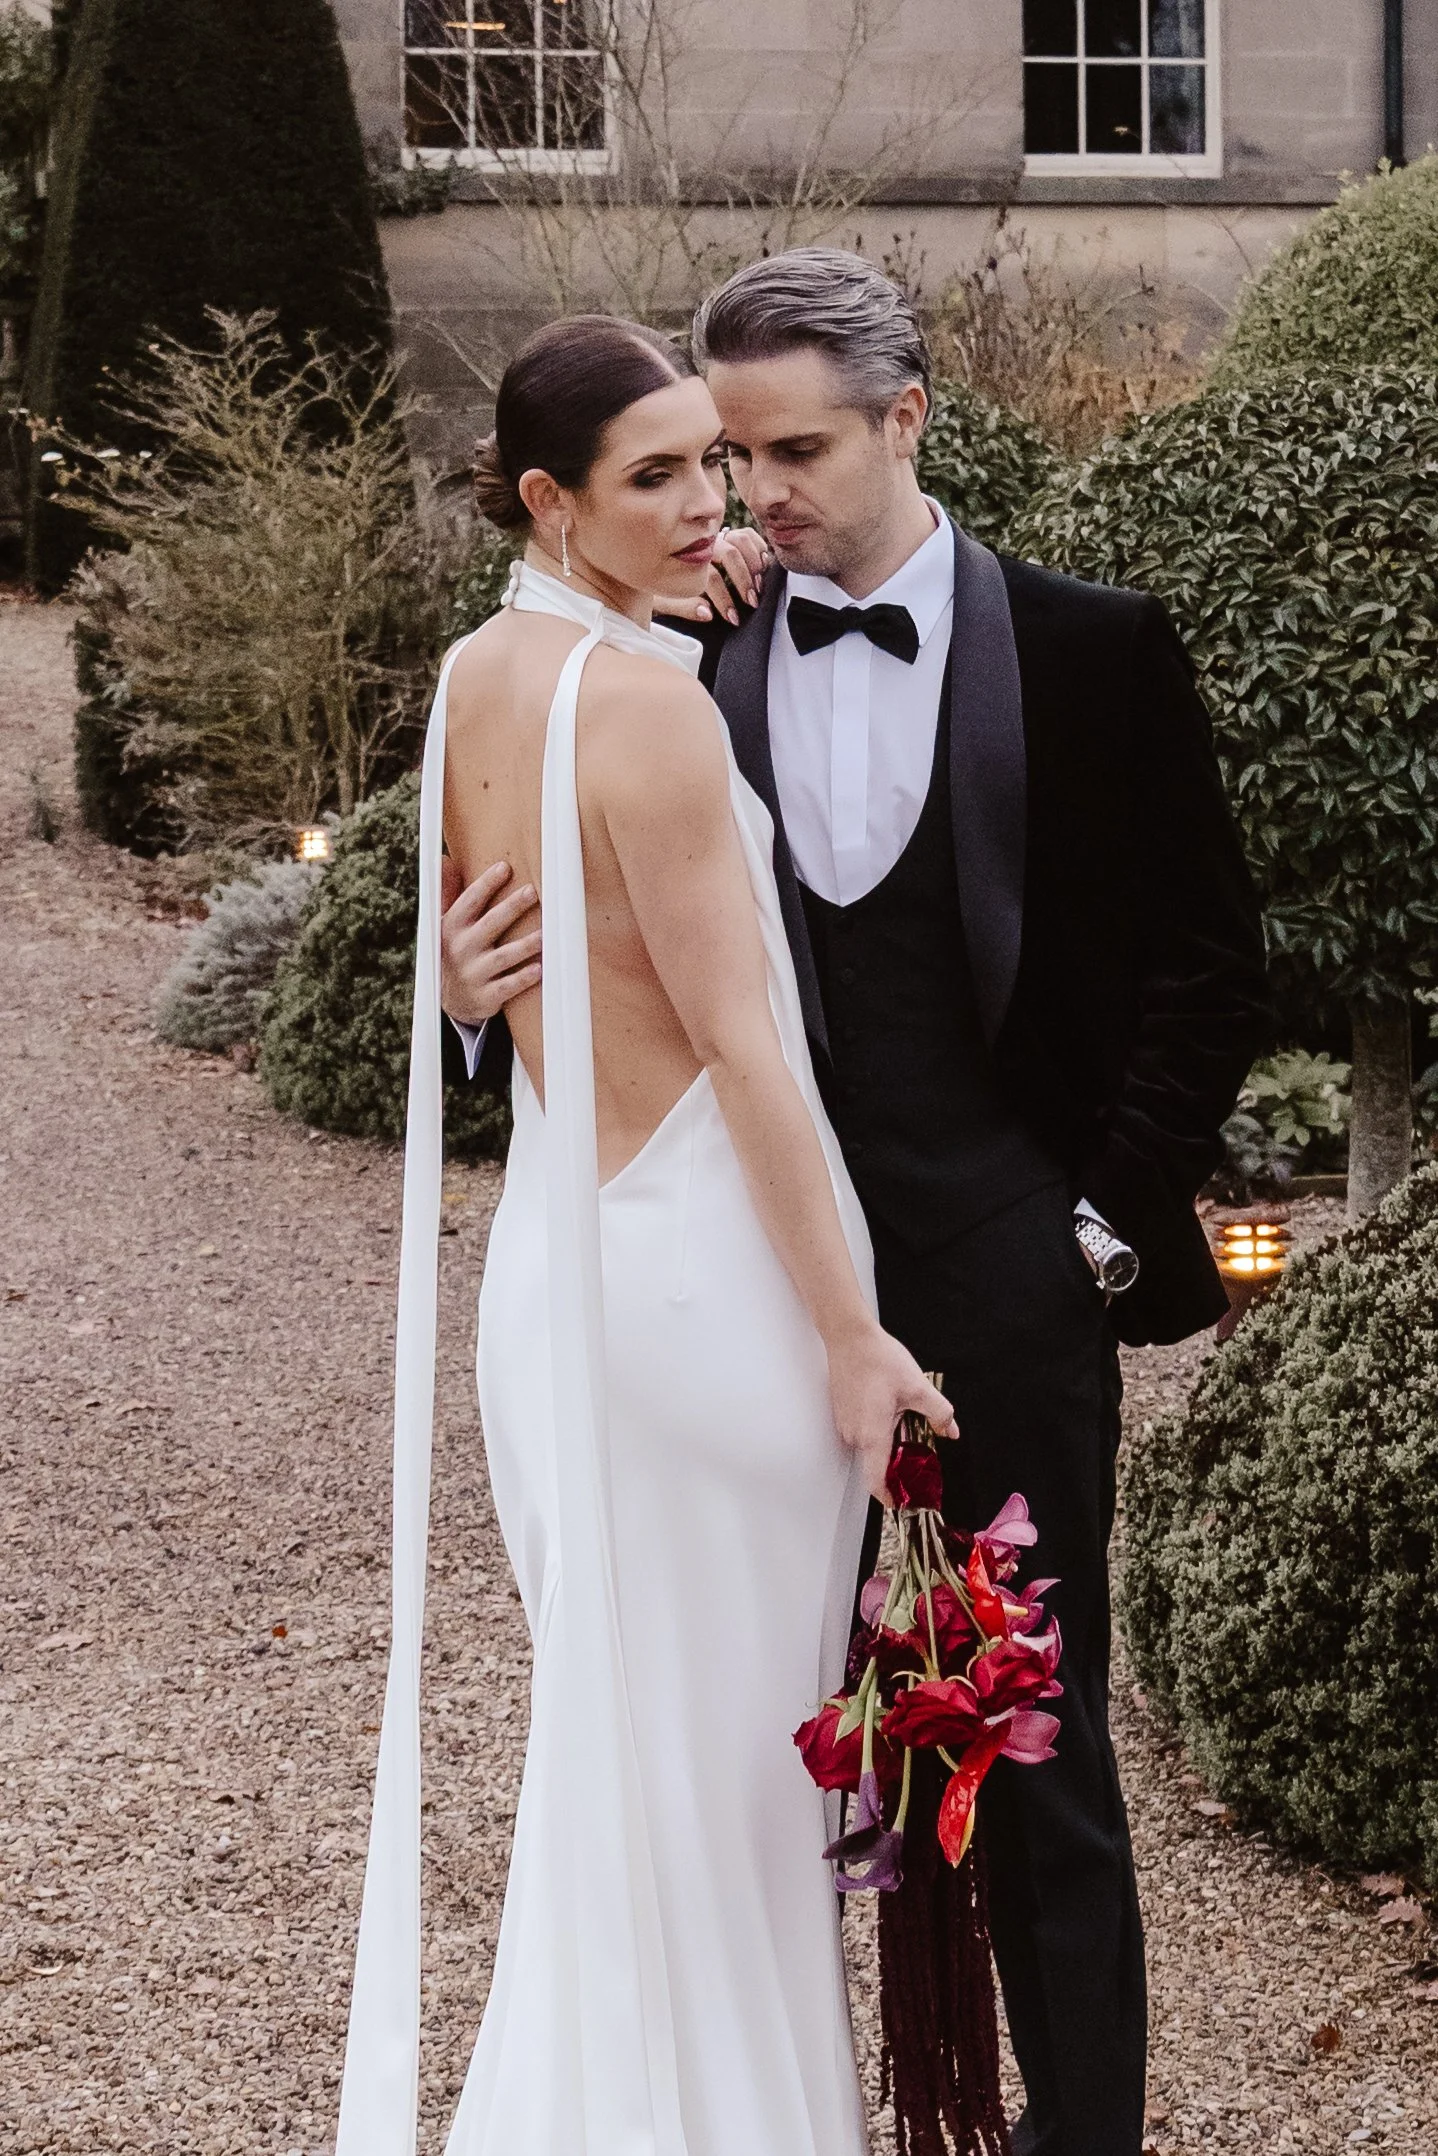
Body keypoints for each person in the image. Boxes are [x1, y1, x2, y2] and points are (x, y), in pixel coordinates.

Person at [442, 251, 1271, 2156]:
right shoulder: (677, 646)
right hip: (739, 1305)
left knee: (1037, 1771)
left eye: (792, 450)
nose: (750, 499)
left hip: (1000, 1281)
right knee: (755, 1763)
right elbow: (584, 947)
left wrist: (1097, 1235)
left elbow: (1208, 974)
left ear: (909, 418)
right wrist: (471, 999)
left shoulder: (1087, 650)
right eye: (718, 457)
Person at [335, 312, 955, 2156]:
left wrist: (448, 986)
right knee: (731, 1800)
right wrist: (852, 1335)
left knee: (626, 1768)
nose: (716, 505)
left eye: (718, 461)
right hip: (705, 1292)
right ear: (549, 498)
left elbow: (512, 953)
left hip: (557, 1277)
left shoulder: (475, 676)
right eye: (659, 477)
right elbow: (746, 1052)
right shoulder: (654, 708)